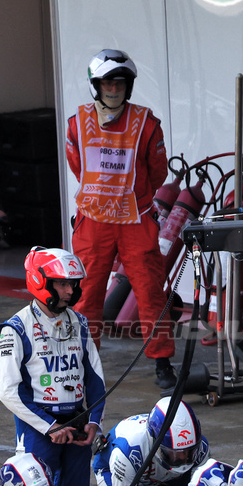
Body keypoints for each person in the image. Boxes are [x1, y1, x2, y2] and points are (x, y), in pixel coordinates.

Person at [64, 49, 176, 389]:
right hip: (94, 223)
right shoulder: (76, 124)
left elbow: (157, 173)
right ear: (96, 86)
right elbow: (78, 167)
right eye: (108, 83)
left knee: (150, 293)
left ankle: (162, 364)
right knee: (85, 296)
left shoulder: (147, 124)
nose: (114, 89)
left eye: (120, 83)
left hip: (136, 221)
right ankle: (83, 363)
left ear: (129, 86)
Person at [0, 247, 105, 486]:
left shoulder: (80, 323)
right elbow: (8, 390)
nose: (70, 290)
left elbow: (96, 379)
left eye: (73, 283)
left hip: (78, 427)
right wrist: (48, 426)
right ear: (40, 281)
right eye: (62, 283)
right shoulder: (15, 329)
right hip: (37, 429)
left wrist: (94, 422)